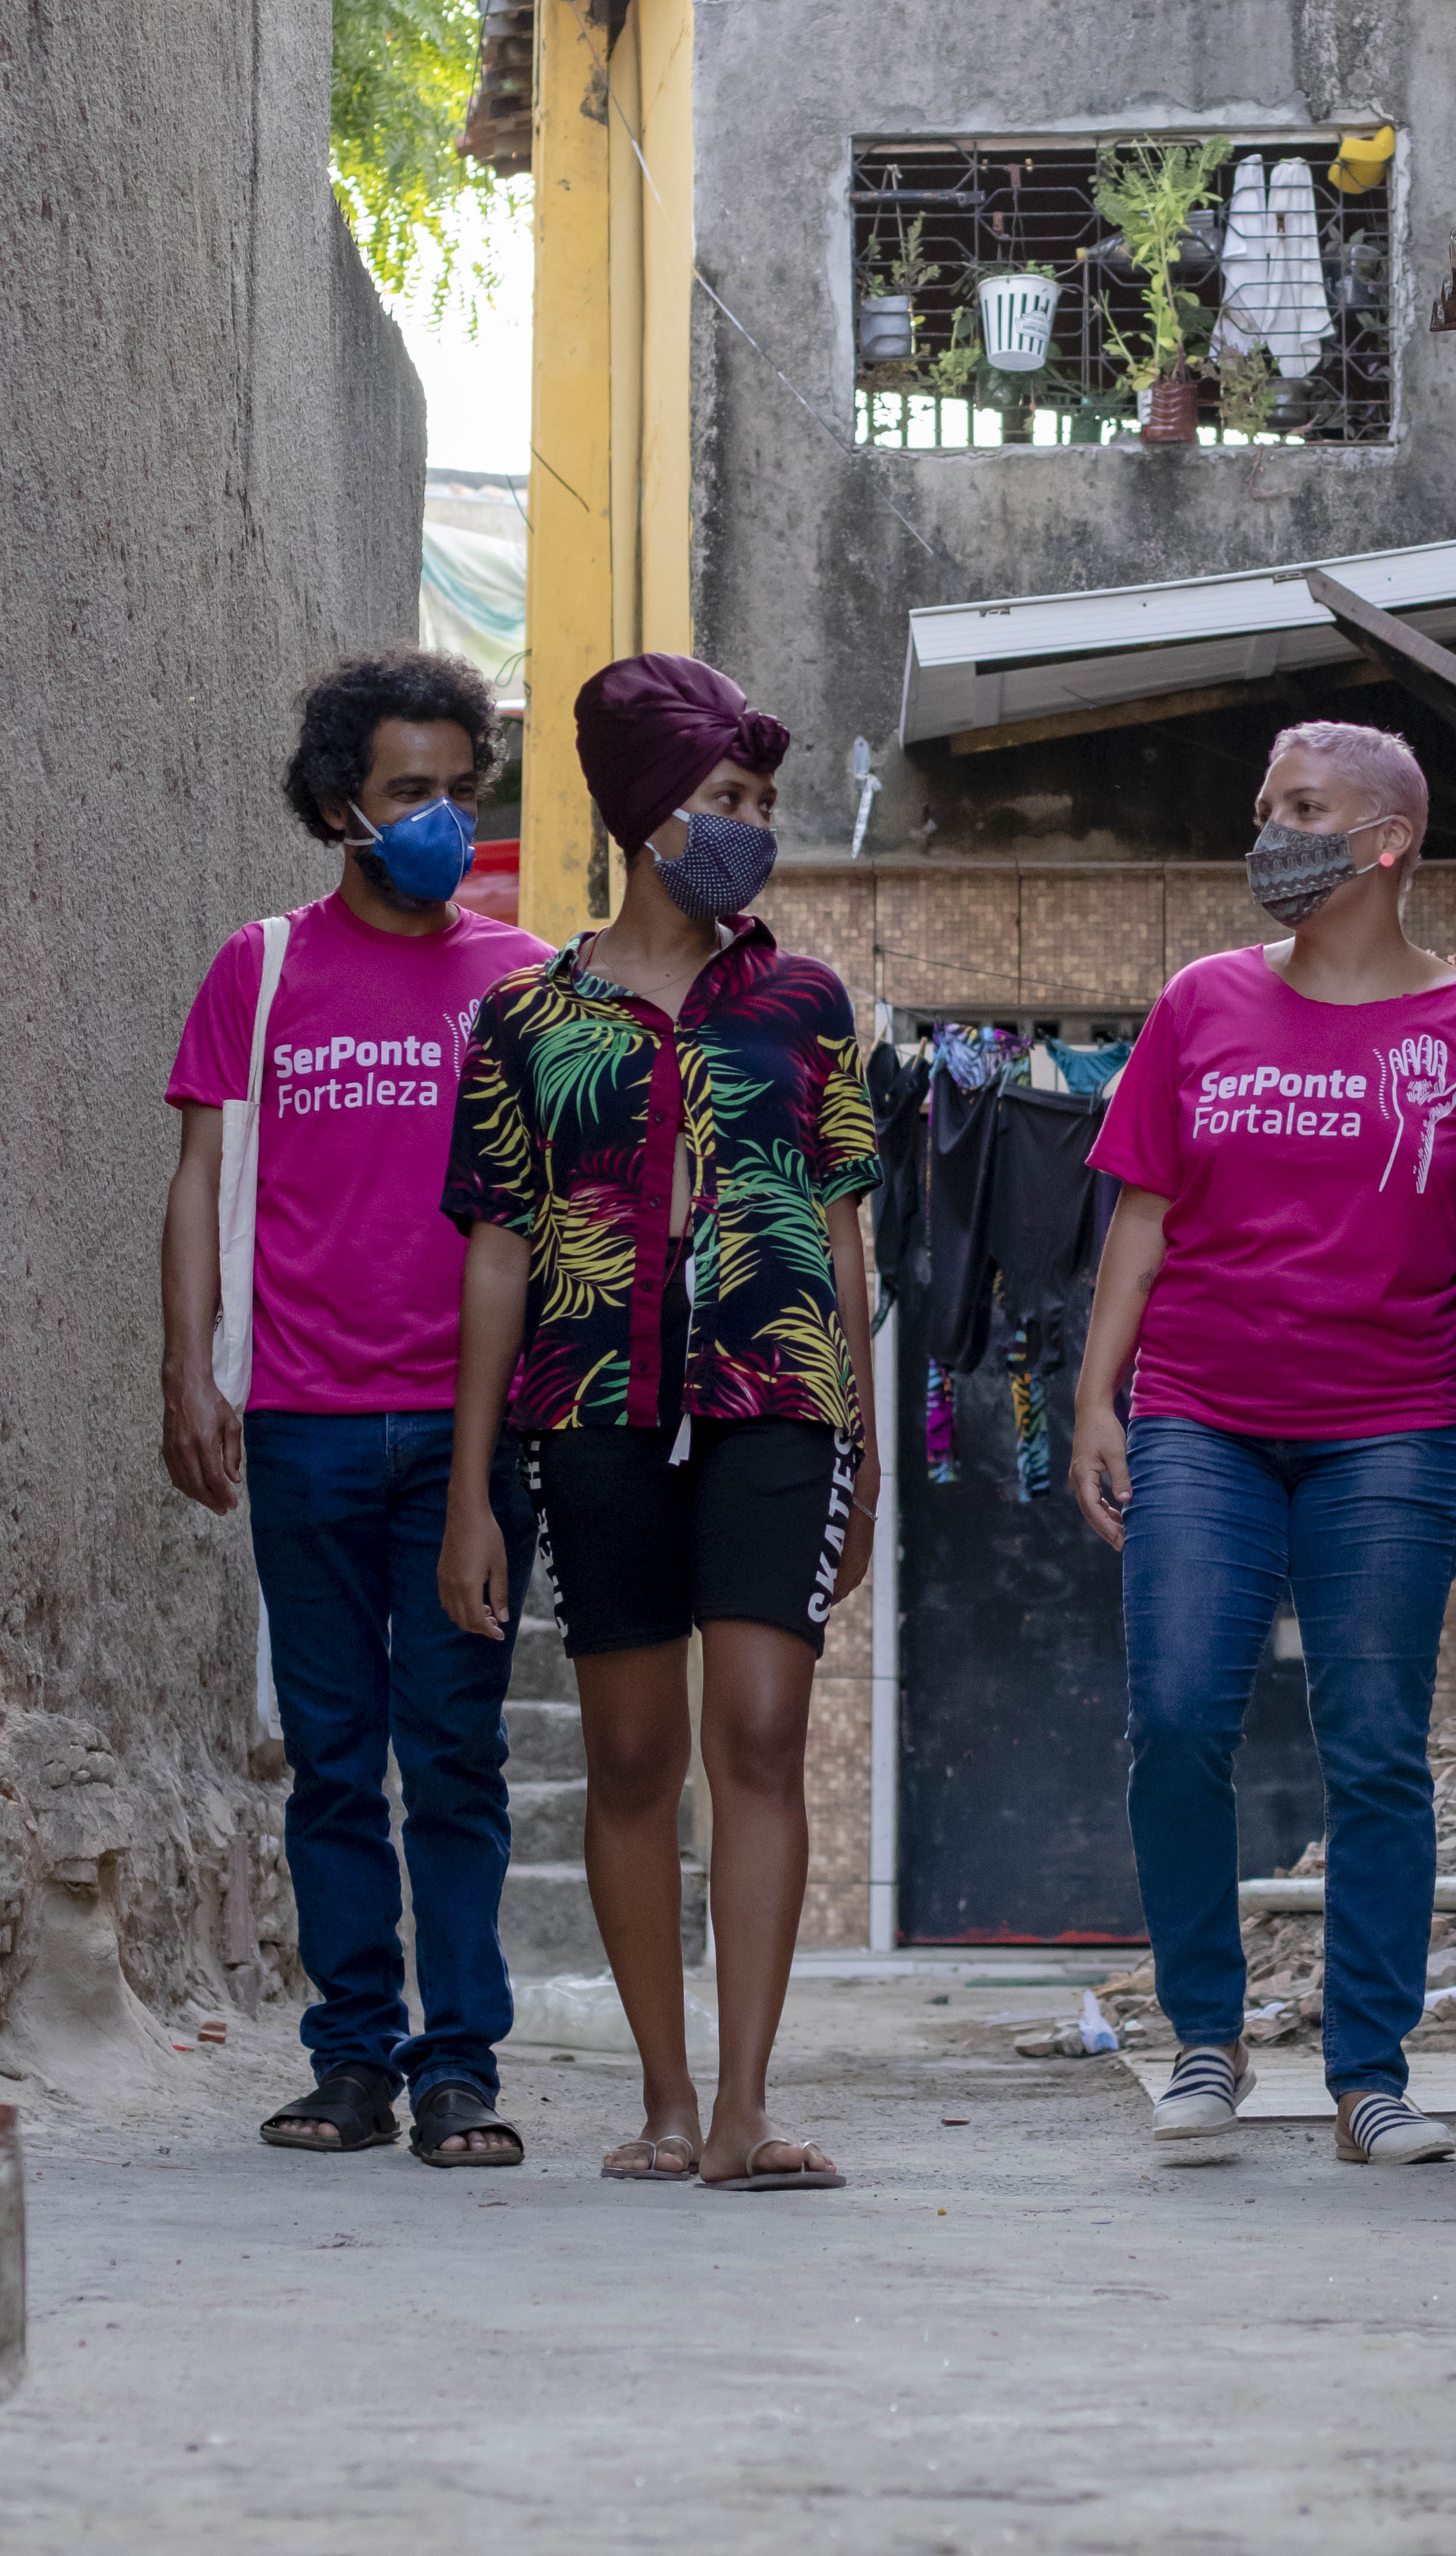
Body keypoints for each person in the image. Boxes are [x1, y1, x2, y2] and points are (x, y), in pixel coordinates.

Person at [1069, 720, 1456, 2169]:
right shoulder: (1198, 1003)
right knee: (1174, 1722)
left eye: (1298, 807)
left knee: (1372, 1751)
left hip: (1393, 1432)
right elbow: (1143, 1217)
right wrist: (1100, 1398)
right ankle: (1205, 2042)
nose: (1267, 828)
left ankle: (1369, 2069)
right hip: (1200, 1421)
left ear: (1382, 844)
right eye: (1262, 800)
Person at [437, 652, 878, 2191]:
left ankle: (750, 2106)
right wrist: (470, 1492)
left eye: (764, 800)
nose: (753, 825)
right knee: (631, 1760)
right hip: (593, 1408)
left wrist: (866, 1446)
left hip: (776, 1401)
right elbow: (498, 1249)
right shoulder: (525, 1017)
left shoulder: (812, 1005)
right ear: (646, 817)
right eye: (725, 800)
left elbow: (843, 1232)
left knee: (758, 1734)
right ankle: (666, 2098)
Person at [161, 650, 549, 2166]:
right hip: (307, 1422)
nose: (442, 817)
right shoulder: (258, 973)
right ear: (341, 807)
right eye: (410, 792)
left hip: (474, 1438)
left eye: (461, 789)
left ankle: (462, 2068)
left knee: (453, 1752)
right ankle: (352, 2061)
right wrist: (188, 1366)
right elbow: (200, 1180)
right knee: (332, 1758)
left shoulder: (523, 986)